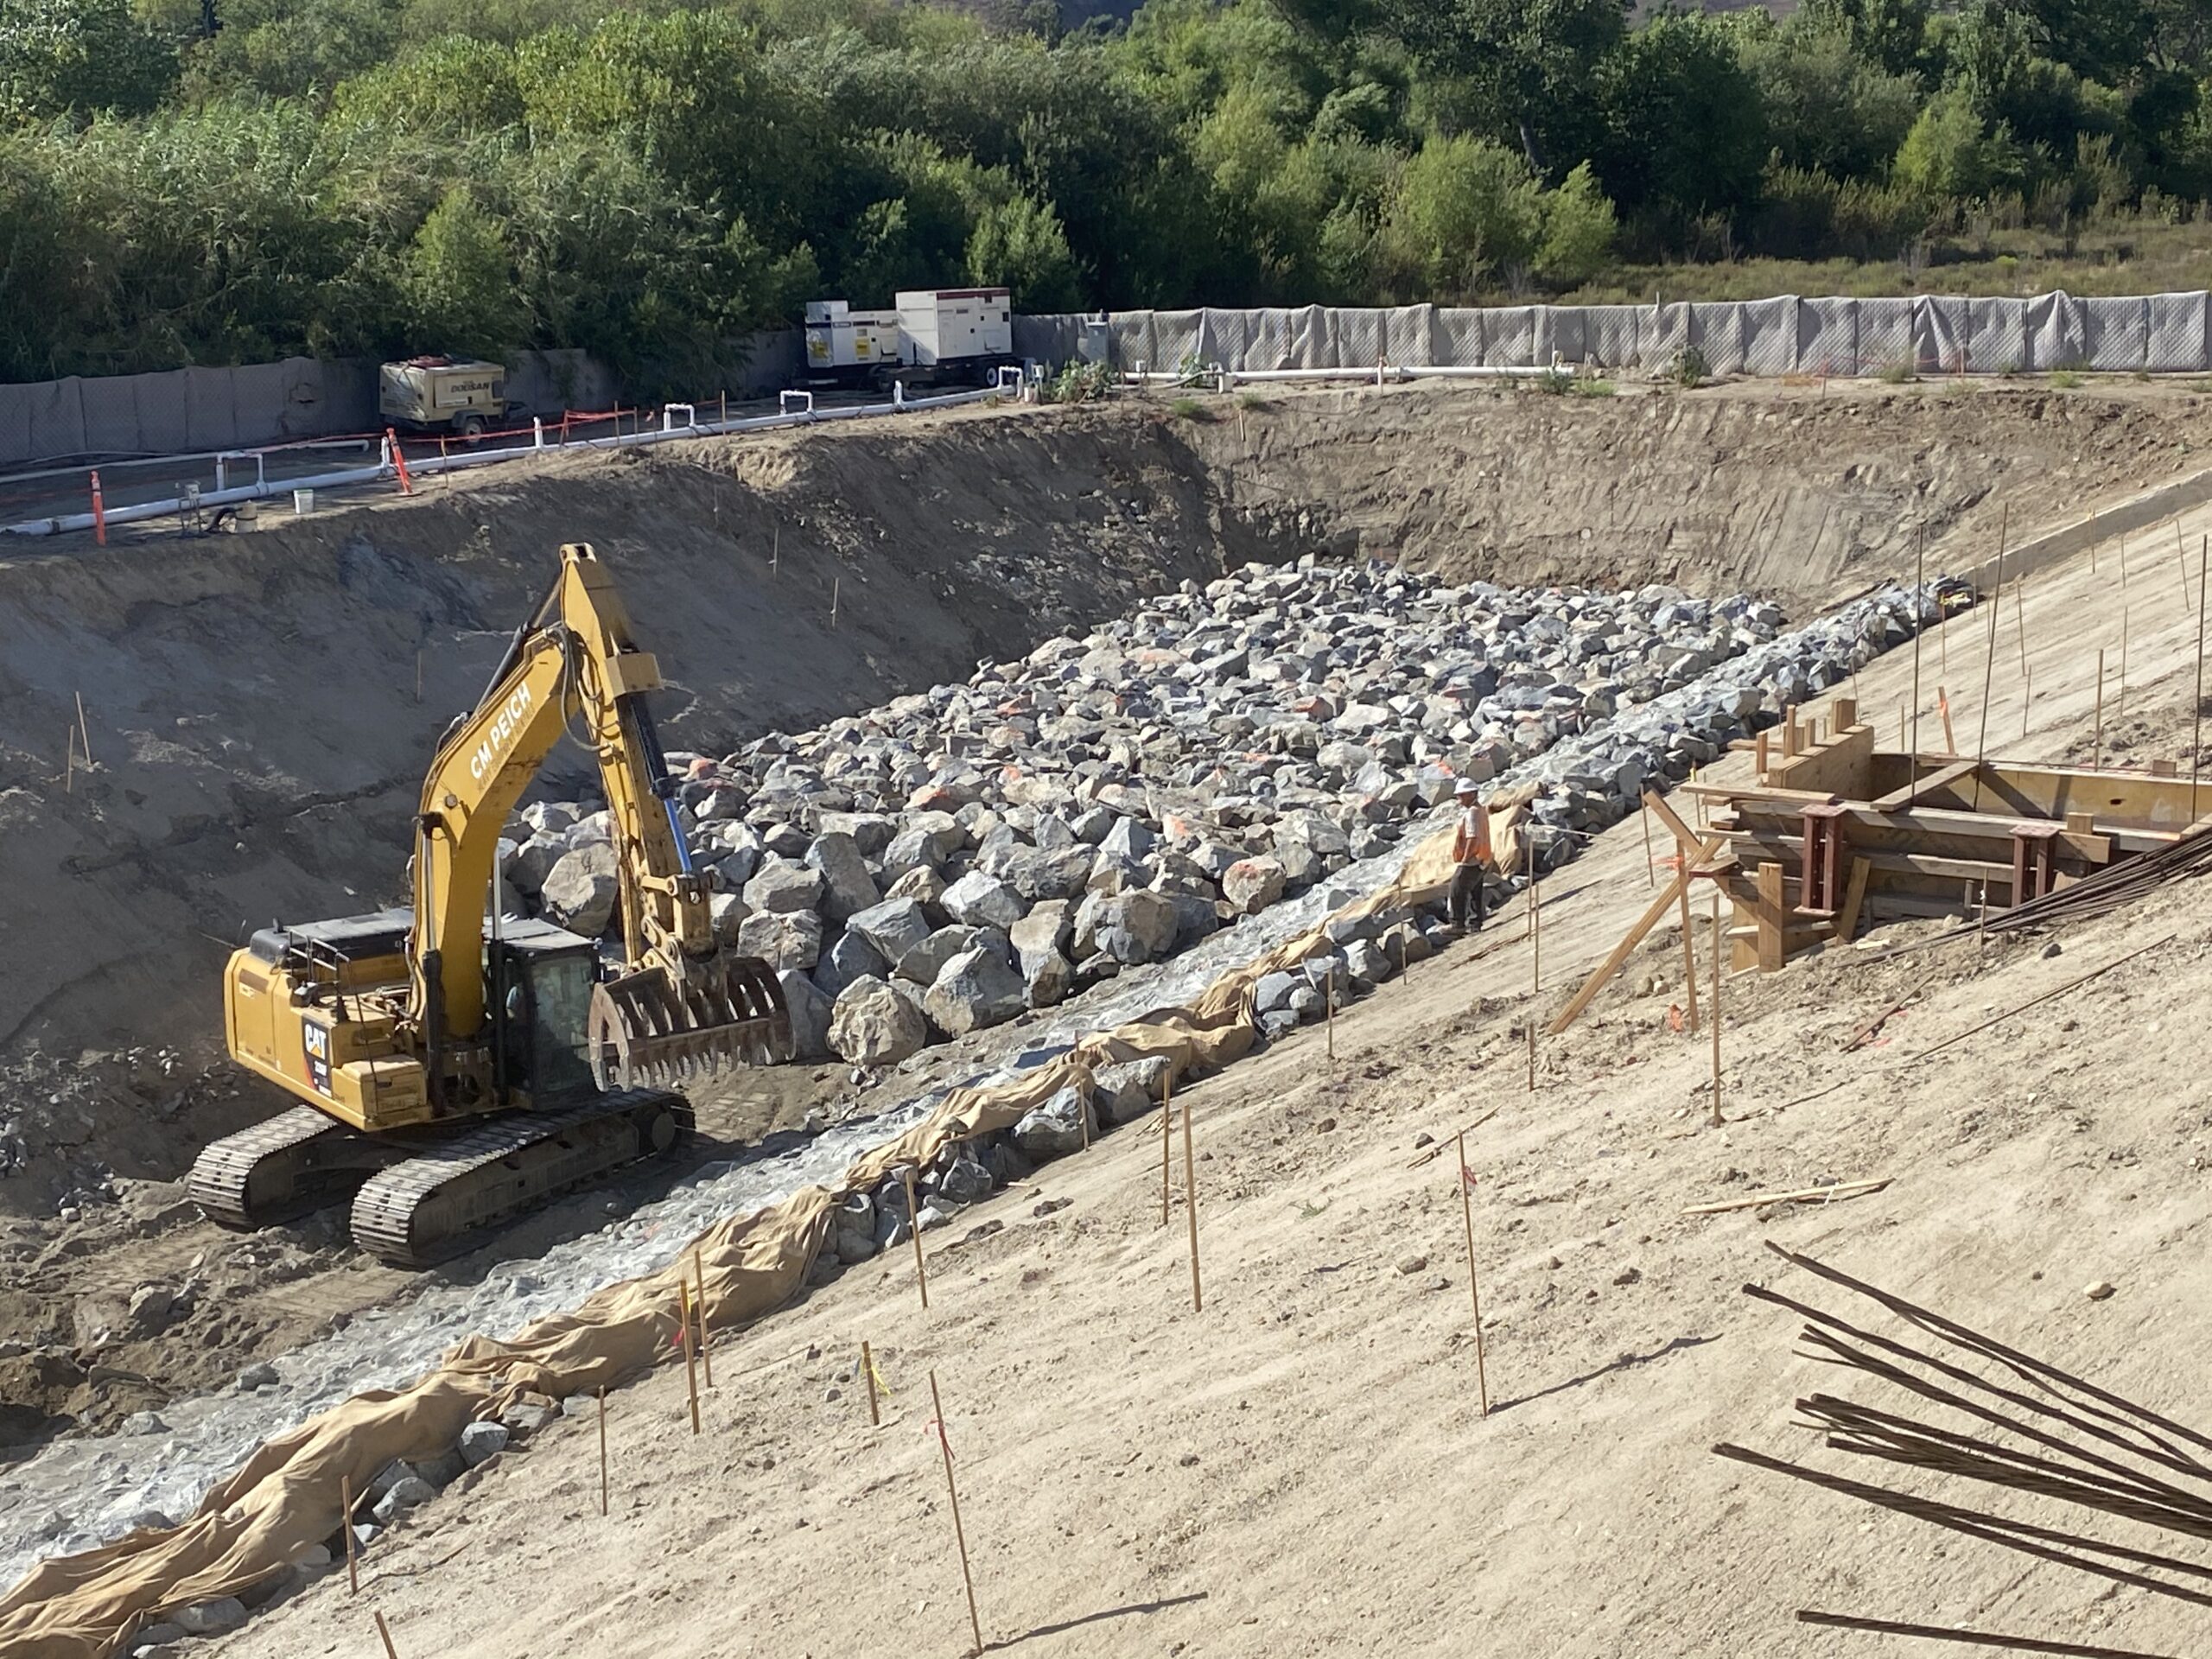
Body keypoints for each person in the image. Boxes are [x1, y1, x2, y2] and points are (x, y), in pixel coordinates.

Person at [1448, 779, 1492, 932]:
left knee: (1456, 889)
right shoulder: (1481, 810)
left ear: (1472, 794)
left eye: (1461, 796)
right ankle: (1475, 923)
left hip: (1473, 859)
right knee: (1475, 890)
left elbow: (1472, 838)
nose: (1459, 800)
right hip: (1483, 857)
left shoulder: (1473, 814)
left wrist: (1465, 860)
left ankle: (1457, 924)